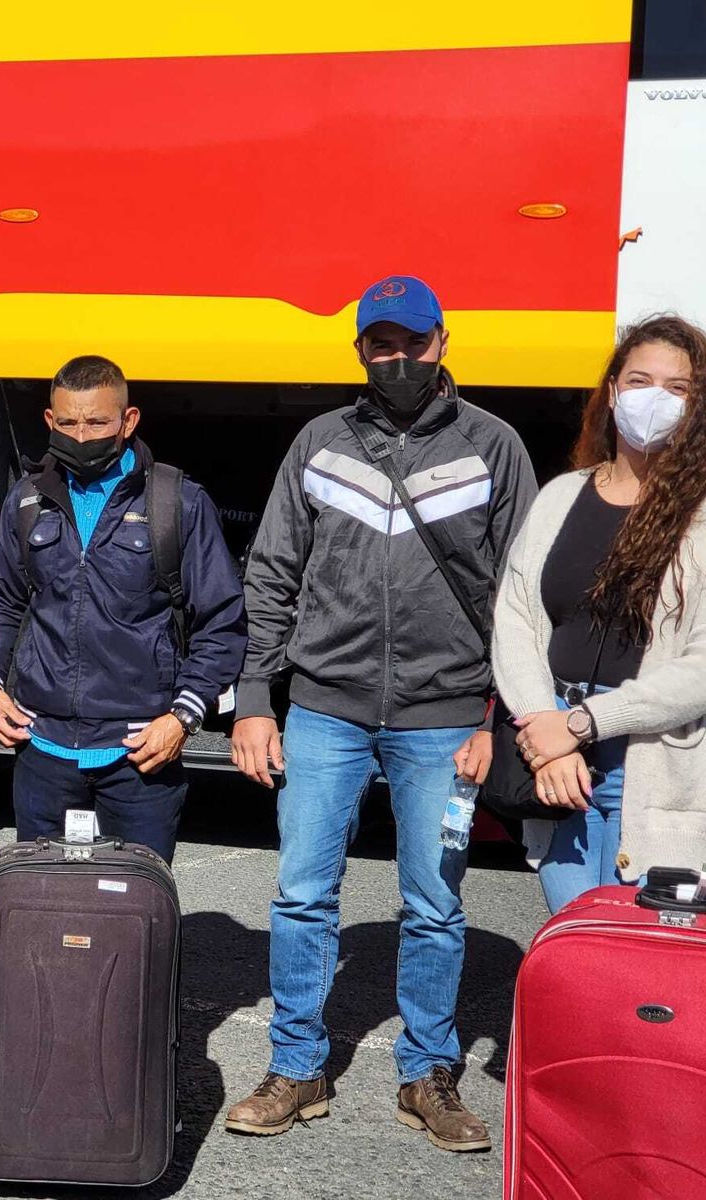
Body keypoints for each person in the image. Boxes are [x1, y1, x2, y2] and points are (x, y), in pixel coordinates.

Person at [224, 275, 536, 1152]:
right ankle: (297, 1069)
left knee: (435, 904)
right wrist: (256, 698)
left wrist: (498, 716)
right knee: (300, 895)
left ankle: (428, 1075)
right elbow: (273, 572)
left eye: (414, 341)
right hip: (326, 709)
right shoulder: (321, 444)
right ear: (360, 349)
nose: (398, 358)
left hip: (445, 716)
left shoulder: (494, 446)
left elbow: (521, 596)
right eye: (380, 344)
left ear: (443, 340)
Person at [0, 355, 246, 860]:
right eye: (69, 423)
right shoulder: (27, 500)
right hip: (43, 754)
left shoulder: (177, 502)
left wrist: (182, 718)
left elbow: (222, 623)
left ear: (128, 420)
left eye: (97, 421)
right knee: (43, 910)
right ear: (50, 422)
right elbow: (3, 604)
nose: (82, 435)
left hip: (141, 757)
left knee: (133, 913)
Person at [495, 315, 706, 912]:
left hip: (650, 761)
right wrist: (546, 726)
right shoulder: (563, 494)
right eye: (639, 381)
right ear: (612, 392)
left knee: (639, 962)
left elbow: (700, 670)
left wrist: (583, 723)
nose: (654, 399)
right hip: (553, 755)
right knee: (572, 941)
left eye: (678, 388)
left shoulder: (700, 516)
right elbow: (517, 614)